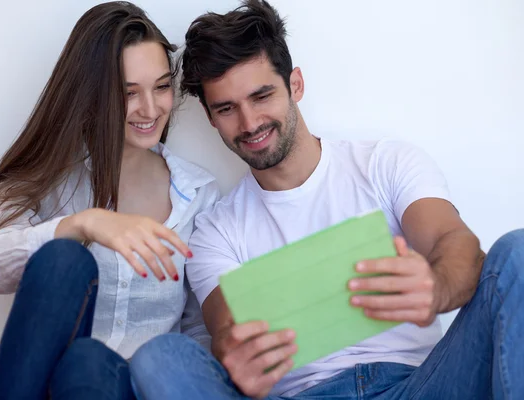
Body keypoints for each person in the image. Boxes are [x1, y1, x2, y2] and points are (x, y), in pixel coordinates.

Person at [129, 1, 524, 399]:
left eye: (262, 96)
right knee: (162, 356)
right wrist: (236, 354)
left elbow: (456, 246)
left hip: (420, 386)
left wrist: (436, 288)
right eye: (227, 109)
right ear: (210, 117)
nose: (250, 123)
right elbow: (227, 329)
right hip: (304, 394)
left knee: (517, 253)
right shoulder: (216, 231)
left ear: (295, 84)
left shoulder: (384, 164)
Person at [0, 2, 218, 399]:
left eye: (162, 86)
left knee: (90, 361)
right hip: (43, 387)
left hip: (132, 391)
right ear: (92, 93)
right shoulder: (52, 177)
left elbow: (197, 333)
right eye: (128, 93)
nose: (150, 109)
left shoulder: (197, 194)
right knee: (65, 261)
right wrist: (82, 224)